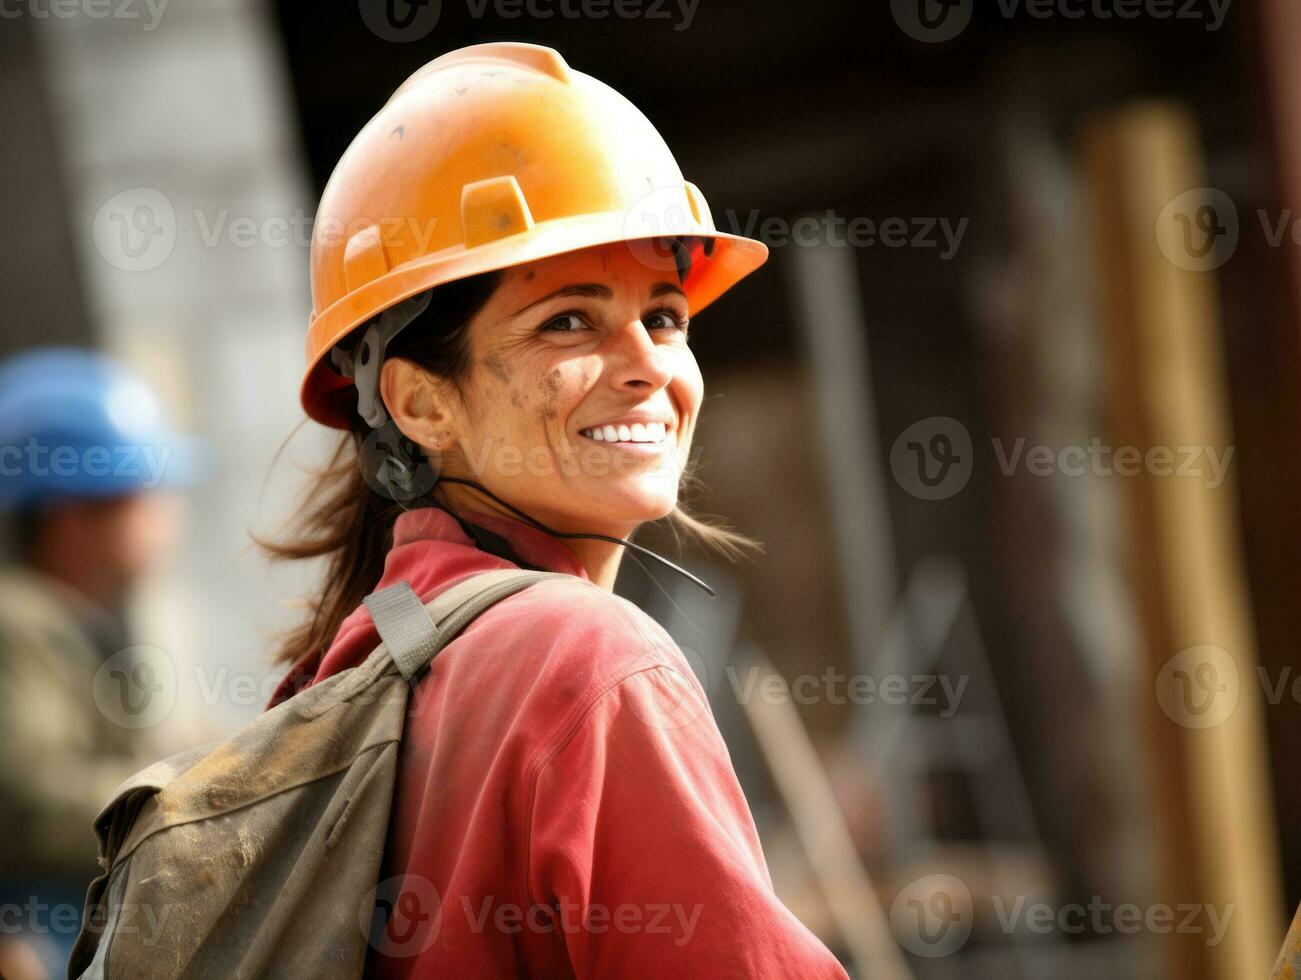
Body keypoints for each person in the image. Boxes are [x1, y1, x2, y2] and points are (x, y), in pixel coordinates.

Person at [263, 41, 850, 977]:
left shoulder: (342, 669)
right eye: (566, 320)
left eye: (664, 315)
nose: (648, 362)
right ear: (420, 403)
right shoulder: (589, 667)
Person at [0, 348, 197, 980]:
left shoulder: (75, 622)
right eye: (140, 490)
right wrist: (186, 792)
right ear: (71, 514)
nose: (166, 513)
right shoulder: (18, 623)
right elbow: (27, 800)